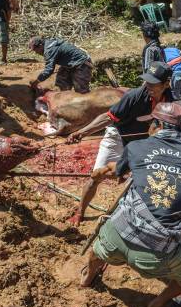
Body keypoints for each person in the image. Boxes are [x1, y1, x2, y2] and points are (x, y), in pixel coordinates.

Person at [80, 102, 181, 307]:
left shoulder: (136, 147)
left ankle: (87, 278)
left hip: (114, 239)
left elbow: (115, 172)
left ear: (158, 124)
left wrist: (97, 173)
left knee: (101, 244)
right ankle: (158, 304)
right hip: (153, 258)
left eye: (151, 123)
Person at [66, 62, 174, 226]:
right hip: (117, 136)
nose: (148, 86)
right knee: (96, 175)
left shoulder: (171, 100)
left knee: (145, 179)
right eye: (147, 81)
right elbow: (108, 117)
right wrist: (83, 131)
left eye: (153, 83)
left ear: (166, 84)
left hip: (142, 141)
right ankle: (80, 211)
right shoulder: (134, 96)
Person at [28, 37, 93, 93]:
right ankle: (66, 100)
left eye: (35, 50)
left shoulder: (49, 50)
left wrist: (38, 81)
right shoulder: (48, 43)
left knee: (81, 90)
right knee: (61, 83)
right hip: (70, 63)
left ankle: (89, 105)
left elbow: (49, 70)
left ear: (40, 45)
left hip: (82, 63)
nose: (36, 53)